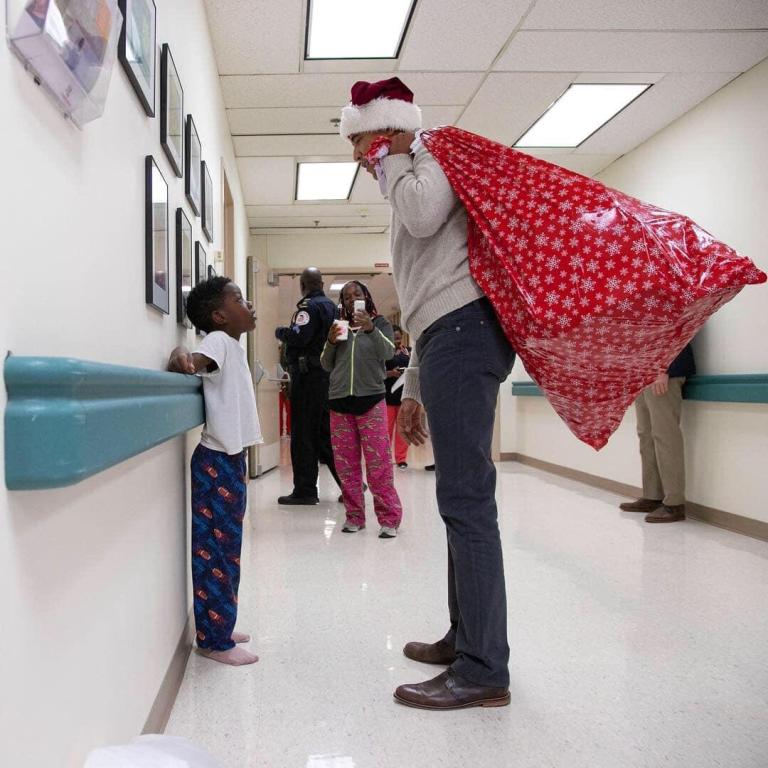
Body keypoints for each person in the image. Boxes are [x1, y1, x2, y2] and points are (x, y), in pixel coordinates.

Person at [341, 77, 516, 709]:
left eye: (363, 144)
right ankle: (466, 637)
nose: (361, 159)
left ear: (387, 131)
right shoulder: (413, 169)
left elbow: (422, 216)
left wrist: (391, 158)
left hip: (464, 332)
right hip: (446, 334)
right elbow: (424, 295)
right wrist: (413, 383)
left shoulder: (433, 153)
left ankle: (484, 668)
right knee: (457, 501)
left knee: (467, 501)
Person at [167, 277, 261, 666]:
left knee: (228, 551)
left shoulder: (232, 346)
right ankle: (213, 640)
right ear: (219, 316)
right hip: (217, 464)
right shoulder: (219, 341)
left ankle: (220, 625)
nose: (249, 304)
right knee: (217, 556)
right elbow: (194, 362)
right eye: (239, 299)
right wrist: (182, 355)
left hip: (229, 460)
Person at [322, 281, 403, 538]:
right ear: (343, 302)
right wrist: (330, 341)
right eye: (346, 297)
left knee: (378, 463)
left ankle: (389, 519)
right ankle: (354, 516)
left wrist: (370, 328)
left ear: (366, 297)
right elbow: (326, 364)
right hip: (339, 402)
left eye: (356, 294)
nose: (351, 299)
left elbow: (388, 352)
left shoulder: (380, 323)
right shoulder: (339, 326)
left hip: (371, 401)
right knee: (346, 466)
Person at [274, 267, 341, 505]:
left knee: (303, 434)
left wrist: (281, 332)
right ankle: (350, 483)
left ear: (303, 285)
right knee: (324, 434)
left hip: (308, 377)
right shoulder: (333, 307)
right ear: (321, 284)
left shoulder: (308, 307)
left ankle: (305, 490)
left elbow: (299, 336)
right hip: (326, 377)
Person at [620, 344, 696, 523]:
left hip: (663, 370)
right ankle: (652, 496)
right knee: (646, 435)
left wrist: (665, 368)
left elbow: (678, 331)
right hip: (643, 372)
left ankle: (674, 503)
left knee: (665, 435)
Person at [384, 325, 411, 469]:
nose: (397, 340)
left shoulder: (407, 352)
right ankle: (385, 459)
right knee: (386, 431)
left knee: (403, 430)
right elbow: (375, 373)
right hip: (387, 397)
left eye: (399, 338)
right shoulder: (383, 353)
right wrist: (390, 373)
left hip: (403, 396)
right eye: (394, 338)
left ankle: (401, 459)